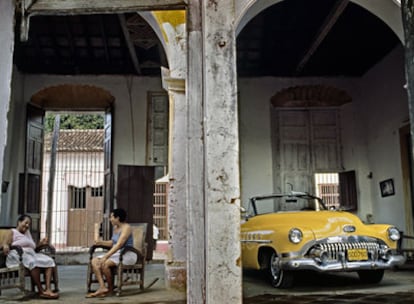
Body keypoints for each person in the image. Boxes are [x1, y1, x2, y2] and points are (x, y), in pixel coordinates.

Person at [2, 214, 59, 299]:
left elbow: (33, 248)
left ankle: (48, 289)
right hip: (18, 255)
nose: (27, 225)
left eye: (29, 224)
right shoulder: (12, 231)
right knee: (33, 262)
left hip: (31, 254)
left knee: (49, 261)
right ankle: (41, 291)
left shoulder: (27, 233)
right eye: (26, 223)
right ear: (19, 222)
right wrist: (5, 245)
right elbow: (5, 243)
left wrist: (41, 244)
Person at [86, 208, 136, 298]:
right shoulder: (115, 228)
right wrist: (100, 242)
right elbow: (113, 243)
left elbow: (119, 244)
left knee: (104, 263)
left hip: (127, 254)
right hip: (117, 253)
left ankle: (110, 288)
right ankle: (102, 287)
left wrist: (106, 256)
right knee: (94, 261)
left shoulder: (127, 228)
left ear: (118, 218)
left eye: (112, 217)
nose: (110, 219)